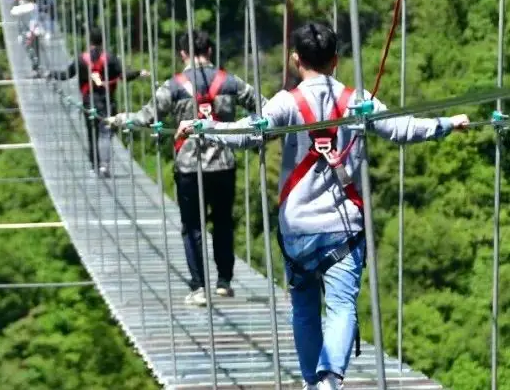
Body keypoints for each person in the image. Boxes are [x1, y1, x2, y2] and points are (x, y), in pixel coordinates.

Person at [175, 21, 469, 390]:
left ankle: (313, 383)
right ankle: (330, 379)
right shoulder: (358, 101)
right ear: (336, 60)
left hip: (297, 228)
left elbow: (248, 133)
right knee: (342, 306)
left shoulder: (285, 102)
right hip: (343, 226)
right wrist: (446, 123)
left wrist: (203, 127)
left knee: (304, 309)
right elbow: (401, 128)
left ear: (295, 60)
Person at [108, 30, 263, 306]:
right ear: (211, 51)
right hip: (223, 164)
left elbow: (146, 118)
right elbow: (262, 108)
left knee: (192, 227)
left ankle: (199, 287)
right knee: (223, 223)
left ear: (183, 54)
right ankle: (225, 281)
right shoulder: (230, 82)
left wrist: (121, 118)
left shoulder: (173, 87)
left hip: (189, 168)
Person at [47, 27, 149, 176]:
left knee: (91, 133)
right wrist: (139, 72)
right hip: (107, 101)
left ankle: (93, 166)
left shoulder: (81, 59)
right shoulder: (110, 58)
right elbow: (123, 75)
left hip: (89, 102)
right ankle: (104, 165)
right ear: (103, 41)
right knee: (105, 132)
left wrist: (51, 73)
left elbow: (66, 75)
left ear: (89, 41)